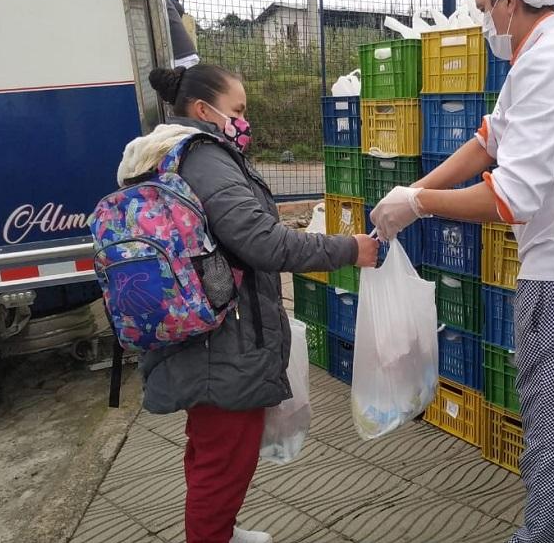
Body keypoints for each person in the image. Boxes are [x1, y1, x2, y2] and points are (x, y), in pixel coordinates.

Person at [370, 0, 554, 541]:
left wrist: (418, 207)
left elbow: (511, 197)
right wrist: (413, 189)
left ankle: (542, 535)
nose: (482, 25)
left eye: (482, 10)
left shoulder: (550, 62)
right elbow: (489, 140)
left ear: (508, 1)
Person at [119, 63, 379, 543]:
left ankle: (221, 529)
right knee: (223, 460)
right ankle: (212, 534)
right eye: (237, 110)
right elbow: (263, 243)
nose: (243, 120)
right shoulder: (205, 158)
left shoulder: (164, 154)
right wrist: (348, 249)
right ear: (204, 109)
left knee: (210, 450)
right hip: (223, 340)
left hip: (196, 332)